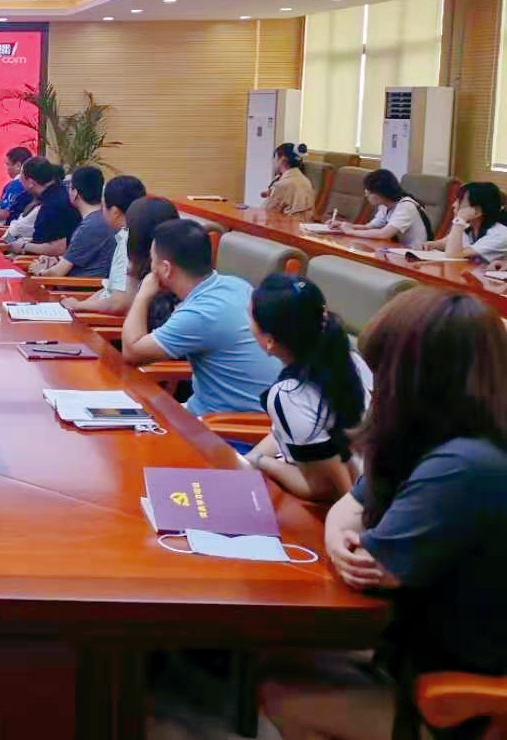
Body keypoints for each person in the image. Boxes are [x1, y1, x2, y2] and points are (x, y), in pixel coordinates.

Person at [260, 287, 507, 740]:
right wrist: (339, 538)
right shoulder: (441, 433)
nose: (378, 388)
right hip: (415, 646)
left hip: (463, 694)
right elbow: (349, 506)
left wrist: (348, 543)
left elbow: (370, 569)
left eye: (384, 372)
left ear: (417, 378)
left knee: (279, 695)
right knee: (284, 659)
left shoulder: (463, 465)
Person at [120, 218, 281, 414]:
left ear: (166, 269)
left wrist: (143, 294)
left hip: (226, 424)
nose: (151, 268)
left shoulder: (201, 313)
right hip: (234, 413)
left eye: (153, 260)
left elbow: (132, 352)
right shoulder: (236, 285)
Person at [244, 274, 371, 501]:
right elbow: (290, 433)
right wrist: (250, 460)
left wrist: (262, 462)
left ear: (269, 341)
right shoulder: (349, 358)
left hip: (344, 508)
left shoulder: (288, 395)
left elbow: (323, 489)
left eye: (250, 316)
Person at [61, 175, 148, 314]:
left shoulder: (129, 243)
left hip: (105, 320)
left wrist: (79, 306)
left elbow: (119, 302)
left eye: (103, 206)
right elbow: (110, 289)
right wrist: (80, 304)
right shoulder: (129, 236)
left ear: (115, 212)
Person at [30, 165, 117, 278]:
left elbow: (56, 273)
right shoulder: (102, 219)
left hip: (77, 286)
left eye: (69, 187)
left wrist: (39, 270)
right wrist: (56, 260)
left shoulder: (89, 227)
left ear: (75, 193)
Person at [332, 168, 431, 247]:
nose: (366, 195)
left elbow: (383, 234)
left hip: (416, 254)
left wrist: (350, 231)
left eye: (369, 192)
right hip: (399, 250)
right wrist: (344, 226)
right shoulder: (385, 205)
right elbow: (369, 227)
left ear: (381, 192)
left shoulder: (406, 206)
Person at [4, 158, 79, 257]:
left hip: (39, 259)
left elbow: (51, 247)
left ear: (31, 182)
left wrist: (23, 246)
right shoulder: (59, 192)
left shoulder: (51, 207)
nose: (20, 182)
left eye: (21, 178)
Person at [421, 180, 507, 262]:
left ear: (477, 211)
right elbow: (448, 242)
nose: (454, 204)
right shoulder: (470, 227)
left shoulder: (499, 235)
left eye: (460, 201)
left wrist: (460, 220)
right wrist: (434, 244)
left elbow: (453, 254)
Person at [262, 142, 317, 215]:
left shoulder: (282, 185)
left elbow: (265, 212)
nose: (273, 162)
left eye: (274, 158)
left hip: (285, 222)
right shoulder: (306, 181)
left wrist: (274, 193)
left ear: (282, 159)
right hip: (304, 221)